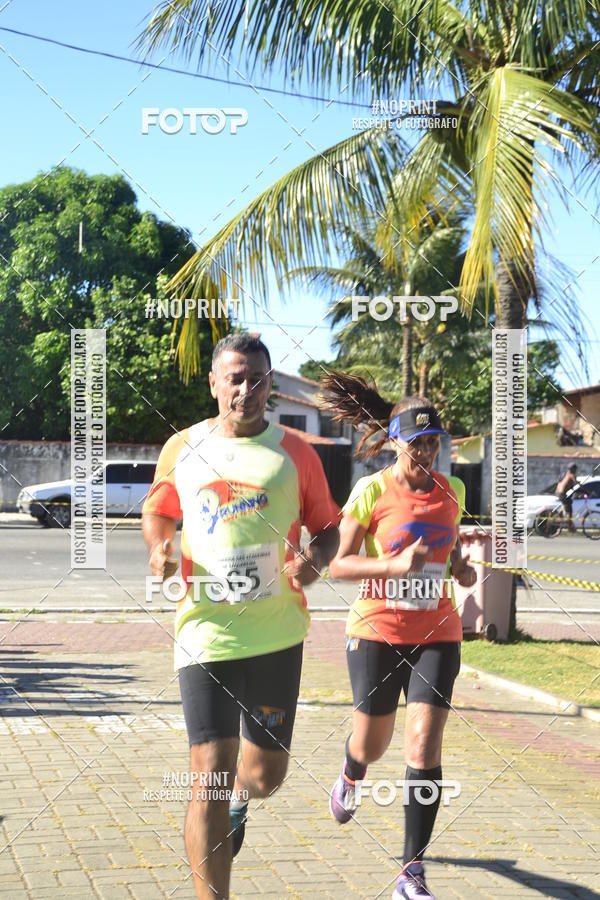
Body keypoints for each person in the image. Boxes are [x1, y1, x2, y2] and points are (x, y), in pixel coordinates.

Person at [142, 334, 340, 899]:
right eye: (235, 378)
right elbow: (158, 512)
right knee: (208, 773)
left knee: (263, 777)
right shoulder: (183, 446)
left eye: (256, 378)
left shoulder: (297, 452)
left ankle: (240, 801)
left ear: (270, 384)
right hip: (205, 630)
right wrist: (161, 549)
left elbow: (328, 527)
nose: (245, 390)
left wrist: (315, 559)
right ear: (214, 383)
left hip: (277, 634)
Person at [320, 372, 476, 900]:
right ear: (395, 443)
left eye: (434, 442)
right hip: (376, 630)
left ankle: (411, 871)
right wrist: (391, 564)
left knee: (424, 744)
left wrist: (461, 570)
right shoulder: (371, 490)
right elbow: (338, 565)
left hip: (437, 630)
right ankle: (352, 771)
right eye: (418, 444)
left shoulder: (452, 491)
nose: (428, 453)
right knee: (373, 742)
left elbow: (450, 554)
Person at [556, 464, 578, 532]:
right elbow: (577, 484)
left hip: (558, 492)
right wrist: (588, 492)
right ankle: (569, 527)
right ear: (573, 469)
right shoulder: (572, 475)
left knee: (566, 503)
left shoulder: (564, 474)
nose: (576, 471)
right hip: (563, 494)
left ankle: (560, 514)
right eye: (575, 469)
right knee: (569, 511)